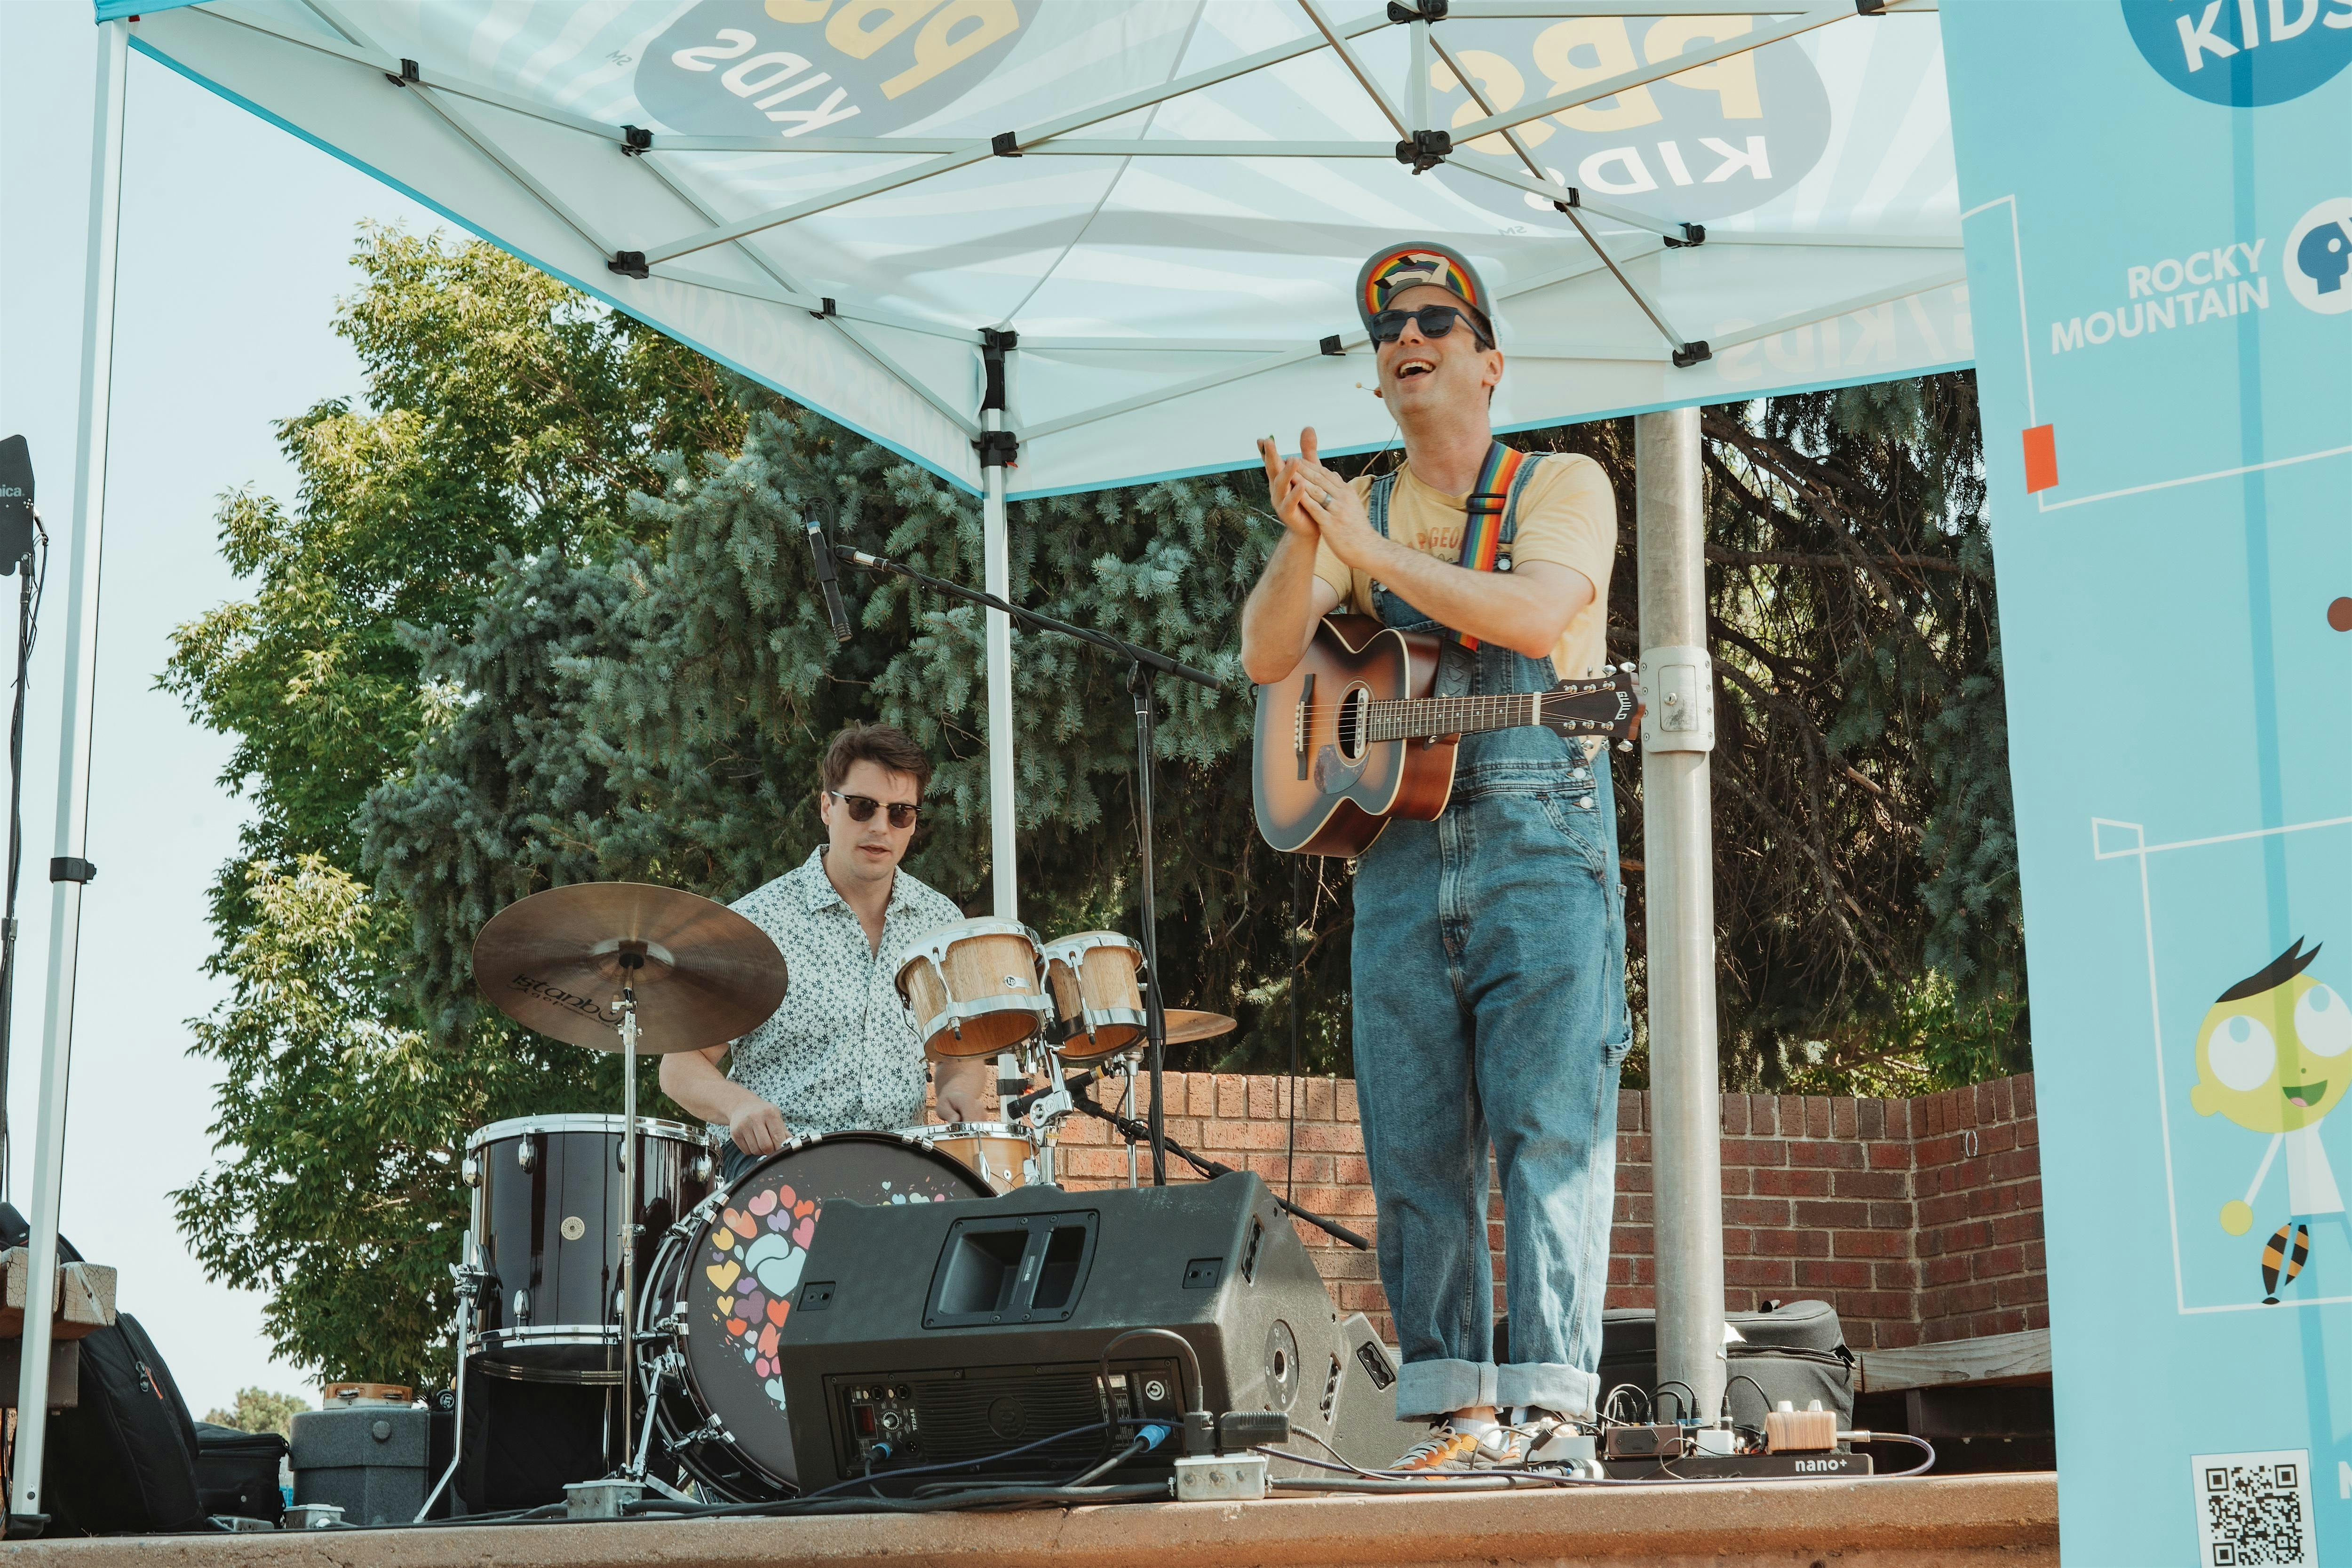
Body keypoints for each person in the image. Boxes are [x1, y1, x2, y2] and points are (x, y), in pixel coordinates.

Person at [1237, 243, 1629, 1469]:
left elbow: (1534, 614)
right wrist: (1305, 541)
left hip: (1541, 836)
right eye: (1387, 330)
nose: (1406, 335)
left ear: (1488, 361)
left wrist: (1370, 551)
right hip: (1399, 857)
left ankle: (1554, 1408)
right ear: (1377, 377)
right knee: (1413, 1145)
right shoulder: (1355, 508)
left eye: (1434, 320)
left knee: (1549, 1127)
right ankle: (1459, 1412)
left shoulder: (1559, 482)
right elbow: (1267, 656)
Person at [661, 722, 990, 1182]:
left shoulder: (941, 924)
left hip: (899, 1171)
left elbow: (960, 1052)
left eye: (900, 813)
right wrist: (737, 1105)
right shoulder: (756, 924)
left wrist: (959, 1088)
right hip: (774, 1167)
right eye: (862, 806)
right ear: (827, 807)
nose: (880, 827)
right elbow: (679, 1064)